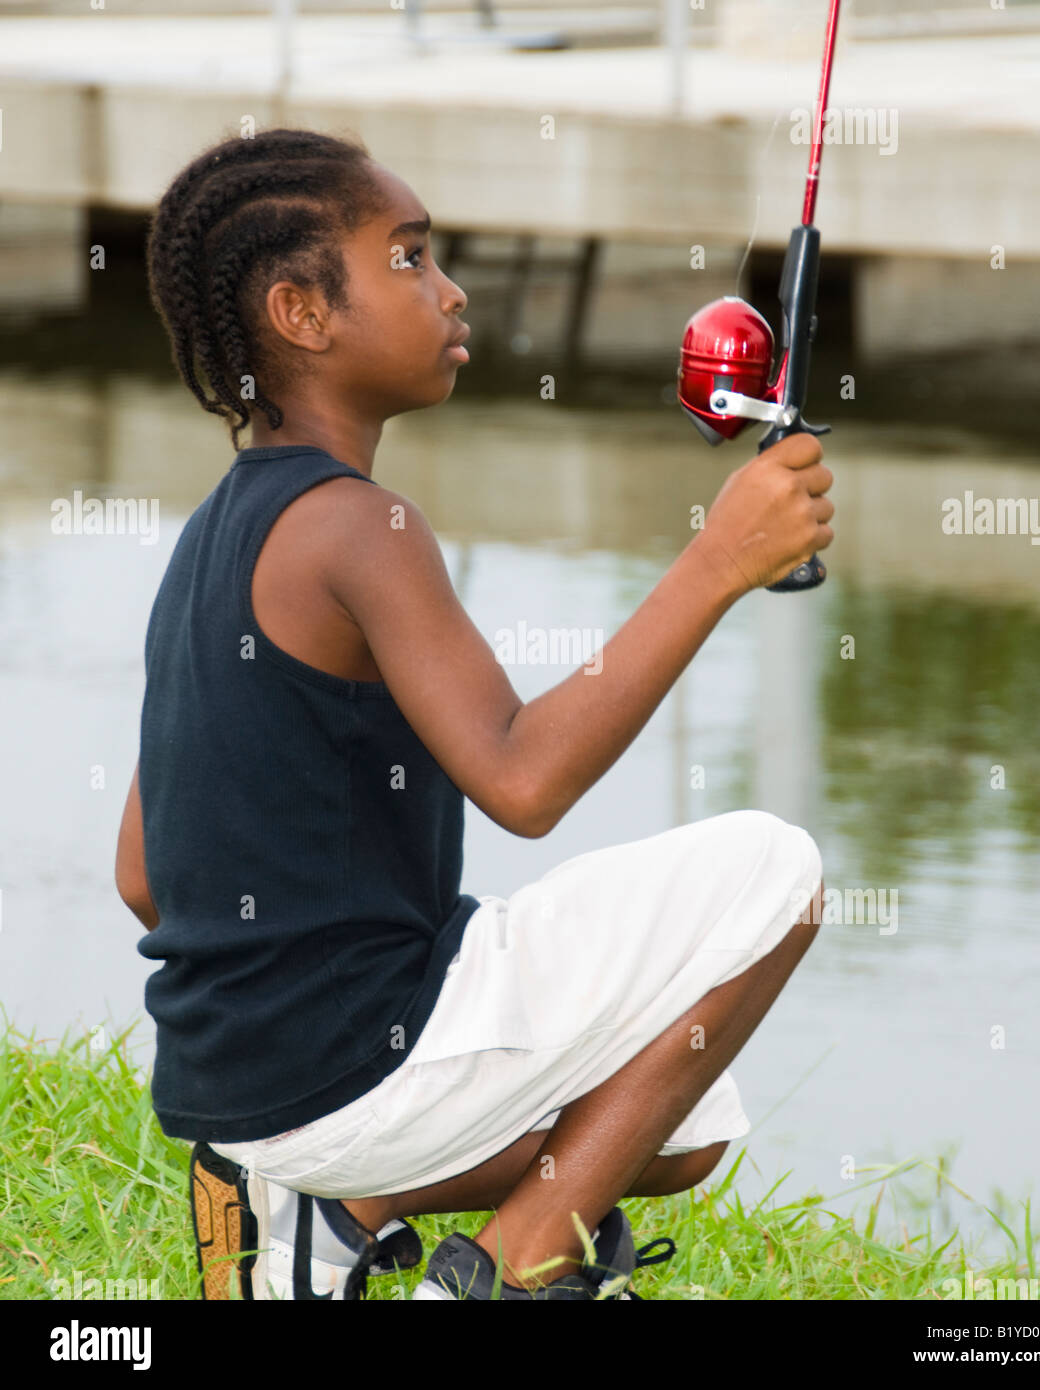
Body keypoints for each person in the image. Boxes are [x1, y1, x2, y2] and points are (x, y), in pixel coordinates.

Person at [114, 127, 834, 1301]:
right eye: (407, 258)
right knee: (779, 869)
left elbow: (147, 871)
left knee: (691, 1122)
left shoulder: (211, 539)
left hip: (233, 1087)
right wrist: (718, 560)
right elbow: (522, 780)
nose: (450, 290)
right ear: (301, 313)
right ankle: (498, 1273)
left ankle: (339, 1207)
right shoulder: (361, 526)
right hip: (353, 1064)